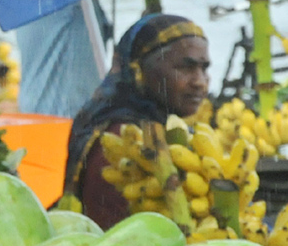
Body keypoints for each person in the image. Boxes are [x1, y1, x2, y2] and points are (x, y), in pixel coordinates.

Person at [63, 13, 211, 229]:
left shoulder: (162, 125)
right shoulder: (121, 138)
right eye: (185, 67)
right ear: (139, 70)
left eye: (204, 68)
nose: (200, 82)